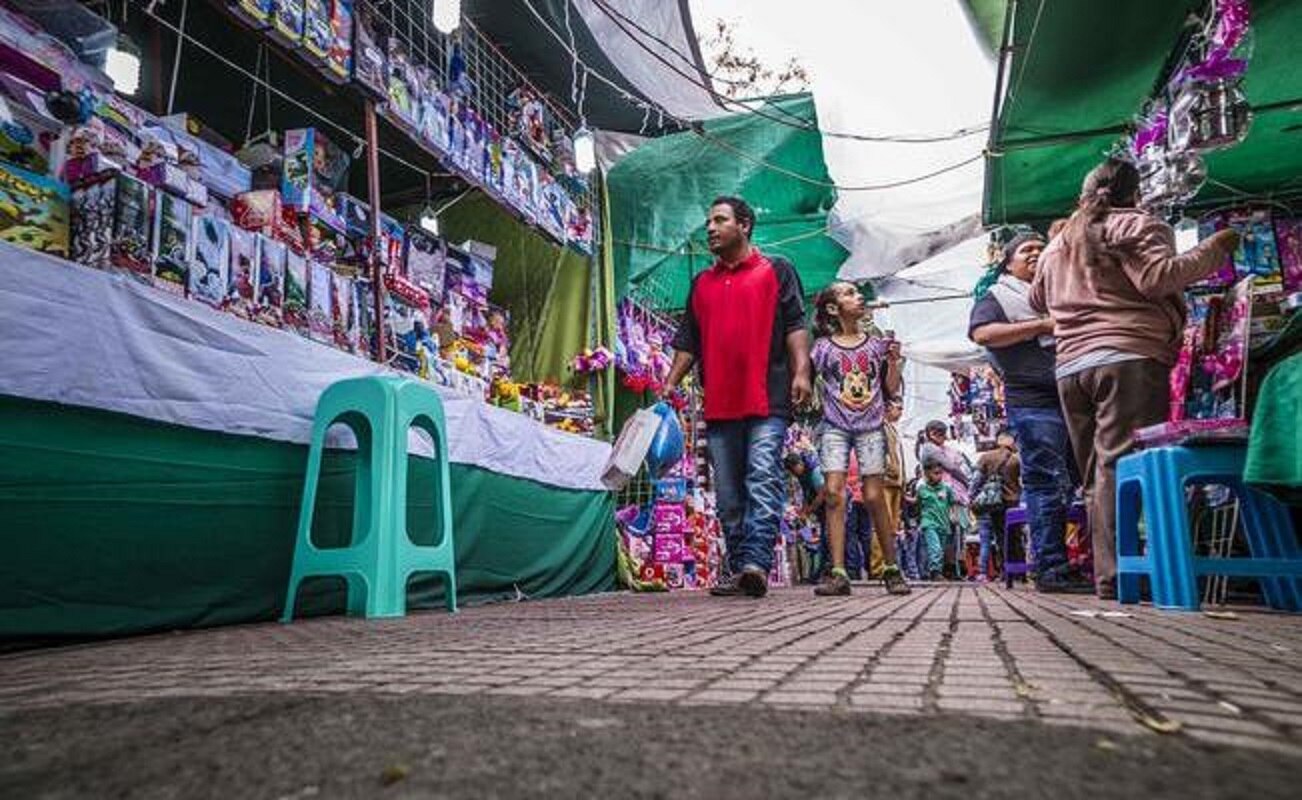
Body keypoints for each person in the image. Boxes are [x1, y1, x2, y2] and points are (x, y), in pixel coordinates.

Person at [1030, 157, 1241, 599]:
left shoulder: (1059, 243)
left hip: (1072, 368)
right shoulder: (1136, 224)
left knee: (1097, 473)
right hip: (1127, 356)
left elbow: (1037, 299)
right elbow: (1157, 278)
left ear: (1083, 196)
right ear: (1137, 192)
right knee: (1116, 467)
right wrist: (1217, 247)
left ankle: (1112, 572)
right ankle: (1118, 577)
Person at [666, 195, 812, 598]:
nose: (710, 228)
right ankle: (737, 568)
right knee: (729, 495)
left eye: (719, 220)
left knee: (762, 475)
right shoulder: (701, 284)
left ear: (744, 225)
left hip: (769, 399)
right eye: (708, 221)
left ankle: (755, 563)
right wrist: (669, 384)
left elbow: (797, 324)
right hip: (720, 404)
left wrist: (802, 371)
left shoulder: (777, 270)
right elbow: (687, 341)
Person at [968, 231, 1086, 592]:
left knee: (1076, 481)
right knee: (1046, 480)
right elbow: (982, 333)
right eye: (1026, 250)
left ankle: (1071, 562)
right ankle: (1050, 568)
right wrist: (1039, 325)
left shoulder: (1063, 290)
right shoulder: (999, 296)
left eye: (1041, 248)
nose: (1035, 253)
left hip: (1077, 396)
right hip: (1035, 401)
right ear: (1008, 262)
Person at [808, 281, 910, 596]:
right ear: (832, 309)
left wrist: (893, 361)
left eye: (857, 292)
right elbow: (808, 380)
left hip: (870, 428)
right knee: (835, 494)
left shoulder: (876, 346)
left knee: (874, 496)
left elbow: (891, 389)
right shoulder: (823, 348)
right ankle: (839, 571)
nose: (858, 297)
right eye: (849, 293)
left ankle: (891, 568)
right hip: (834, 428)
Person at [971, 431, 1021, 582]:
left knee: (1000, 537)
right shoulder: (1016, 459)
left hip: (995, 503)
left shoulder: (986, 457)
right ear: (1010, 442)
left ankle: (1006, 572)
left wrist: (972, 497)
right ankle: (1019, 572)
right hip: (1014, 502)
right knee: (1016, 537)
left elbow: (976, 481)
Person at [916, 460, 957, 580]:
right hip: (928, 523)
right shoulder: (922, 489)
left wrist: (953, 515)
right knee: (935, 548)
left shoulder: (947, 488)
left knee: (941, 549)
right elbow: (917, 504)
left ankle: (934, 570)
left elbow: (952, 503)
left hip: (944, 524)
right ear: (927, 473)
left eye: (940, 473)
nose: (939, 476)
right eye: (935, 473)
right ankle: (935, 572)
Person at [881, 399, 907, 540]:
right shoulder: (880, 426)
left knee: (893, 527)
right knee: (883, 524)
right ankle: (879, 562)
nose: (901, 412)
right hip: (885, 481)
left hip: (896, 482)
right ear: (888, 408)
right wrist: (889, 469)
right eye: (899, 408)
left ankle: (889, 561)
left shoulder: (893, 429)